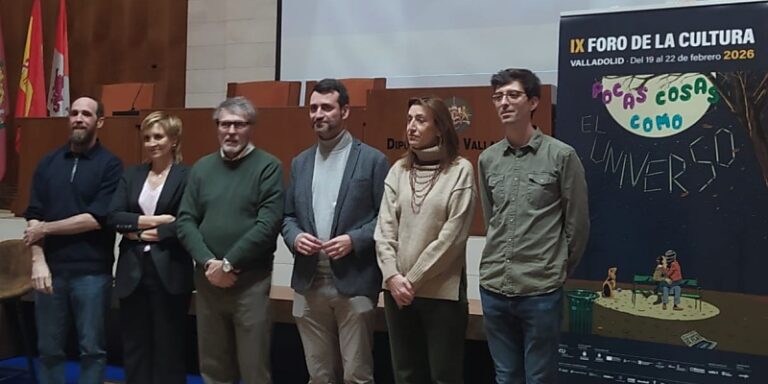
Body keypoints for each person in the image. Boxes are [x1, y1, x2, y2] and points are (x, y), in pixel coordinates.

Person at [477, 68, 590, 384]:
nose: (504, 103)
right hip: (494, 286)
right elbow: (492, 219)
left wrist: (557, 268)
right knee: (505, 375)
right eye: (498, 97)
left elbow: (577, 225)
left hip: (540, 290)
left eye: (513, 95)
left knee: (539, 377)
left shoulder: (561, 155)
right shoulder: (487, 159)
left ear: (533, 102)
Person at [282, 79, 388, 384]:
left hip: (355, 283)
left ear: (345, 111)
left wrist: (354, 240)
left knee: (357, 375)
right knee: (318, 376)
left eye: (326, 107)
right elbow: (288, 217)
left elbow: (387, 219)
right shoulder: (300, 162)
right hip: (308, 282)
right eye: (313, 108)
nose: (319, 114)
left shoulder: (372, 160)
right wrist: (295, 237)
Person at [177, 96, 284, 384]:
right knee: (213, 367)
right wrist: (209, 262)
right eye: (225, 124)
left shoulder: (268, 167)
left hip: (250, 283)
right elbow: (185, 220)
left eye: (238, 124)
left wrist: (228, 263)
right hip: (208, 282)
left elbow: (268, 224)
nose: (231, 131)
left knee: (253, 369)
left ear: (250, 127)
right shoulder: (201, 168)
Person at [375, 96, 476, 384]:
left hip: (441, 294)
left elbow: (452, 238)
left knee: (443, 376)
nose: (411, 126)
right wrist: (393, 276)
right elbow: (383, 230)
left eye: (420, 120)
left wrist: (413, 279)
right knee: (406, 374)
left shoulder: (460, 170)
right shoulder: (398, 170)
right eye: (409, 119)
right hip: (397, 293)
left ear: (440, 128)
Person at [24, 96, 123, 384]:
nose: (79, 118)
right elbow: (34, 215)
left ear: (99, 122)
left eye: (87, 114)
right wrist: (38, 261)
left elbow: (96, 219)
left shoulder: (111, 165)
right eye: (74, 113)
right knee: (49, 350)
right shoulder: (48, 163)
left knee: (92, 350)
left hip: (92, 273)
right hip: (50, 272)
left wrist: (45, 229)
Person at [107, 111, 192, 384]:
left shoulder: (187, 175)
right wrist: (154, 221)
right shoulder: (131, 174)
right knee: (135, 347)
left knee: (168, 347)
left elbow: (187, 221)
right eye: (146, 138)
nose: (152, 143)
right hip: (133, 272)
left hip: (169, 271)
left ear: (174, 140)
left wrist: (139, 232)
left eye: (158, 136)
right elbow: (113, 217)